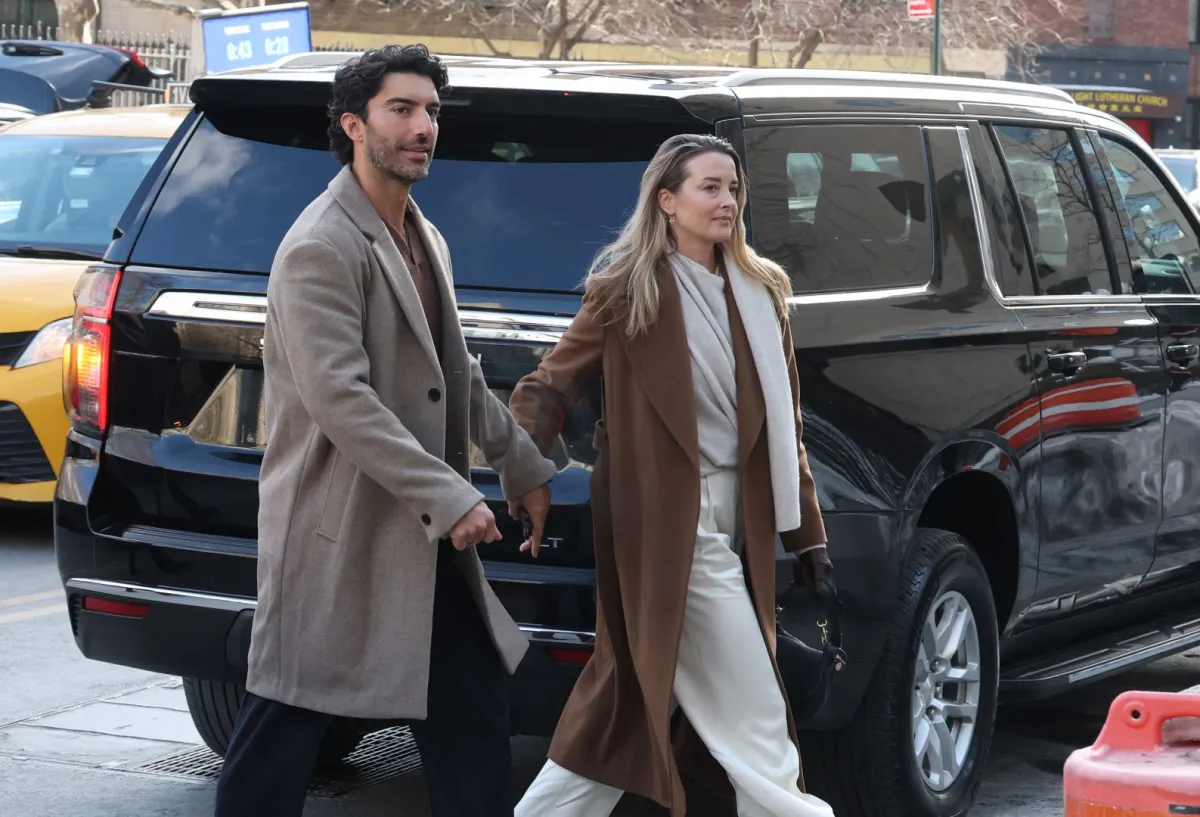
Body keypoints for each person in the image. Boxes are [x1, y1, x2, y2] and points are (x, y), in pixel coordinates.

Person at [212, 44, 558, 817]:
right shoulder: (319, 246)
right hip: (339, 536)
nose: (423, 126)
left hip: (426, 537)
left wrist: (521, 463)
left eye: (431, 110)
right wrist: (449, 491)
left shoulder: (421, 234)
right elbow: (344, 400)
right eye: (401, 109)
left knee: (472, 712)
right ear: (354, 124)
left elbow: (456, 371)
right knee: (285, 721)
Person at [508, 133, 836, 817]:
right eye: (709, 187)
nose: (726, 200)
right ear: (667, 201)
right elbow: (546, 388)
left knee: (622, 708)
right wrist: (526, 476)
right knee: (754, 711)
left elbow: (786, 424)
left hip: (736, 512)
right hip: (664, 520)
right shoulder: (626, 292)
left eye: (733, 188)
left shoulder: (760, 290)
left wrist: (807, 535)